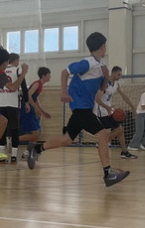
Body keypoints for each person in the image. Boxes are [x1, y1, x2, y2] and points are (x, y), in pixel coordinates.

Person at [26, 32, 129, 187]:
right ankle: (108, 174)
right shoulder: (88, 63)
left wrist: (106, 77)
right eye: (105, 45)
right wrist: (63, 92)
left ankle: (36, 148)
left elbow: (101, 88)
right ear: (102, 46)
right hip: (81, 108)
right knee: (103, 134)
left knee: (67, 140)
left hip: (84, 108)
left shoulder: (101, 66)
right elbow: (65, 71)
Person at [0, 53, 26, 164]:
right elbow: (23, 86)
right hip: (13, 104)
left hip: (0, 103)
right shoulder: (17, 70)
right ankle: (13, 156)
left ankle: (2, 156)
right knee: (14, 130)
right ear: (15, 60)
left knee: (1, 129)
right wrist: (27, 101)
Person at [95, 66, 137, 160]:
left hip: (109, 110)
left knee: (120, 130)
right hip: (102, 111)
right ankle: (102, 142)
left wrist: (133, 108)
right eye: (118, 74)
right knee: (119, 129)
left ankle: (124, 152)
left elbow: (124, 96)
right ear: (113, 73)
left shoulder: (116, 84)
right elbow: (97, 99)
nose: (120, 76)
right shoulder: (105, 83)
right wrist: (107, 107)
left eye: (120, 75)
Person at [19, 67, 51, 157]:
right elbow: (28, 96)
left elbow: (35, 98)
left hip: (31, 110)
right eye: (49, 75)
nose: (50, 77)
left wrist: (42, 111)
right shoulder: (37, 83)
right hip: (27, 110)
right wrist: (35, 108)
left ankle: (27, 153)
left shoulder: (40, 85)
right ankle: (14, 139)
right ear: (44, 75)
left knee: (37, 133)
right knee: (35, 134)